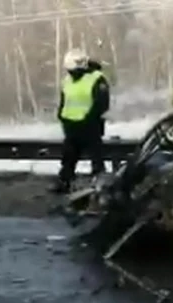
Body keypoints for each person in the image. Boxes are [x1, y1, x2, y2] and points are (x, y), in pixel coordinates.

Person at [52, 48, 110, 194]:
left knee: (96, 157)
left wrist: (90, 118)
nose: (71, 73)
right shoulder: (67, 80)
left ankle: (99, 185)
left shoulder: (97, 78)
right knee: (68, 157)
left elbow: (102, 103)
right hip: (71, 126)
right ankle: (64, 181)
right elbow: (64, 100)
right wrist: (61, 115)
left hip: (90, 125)